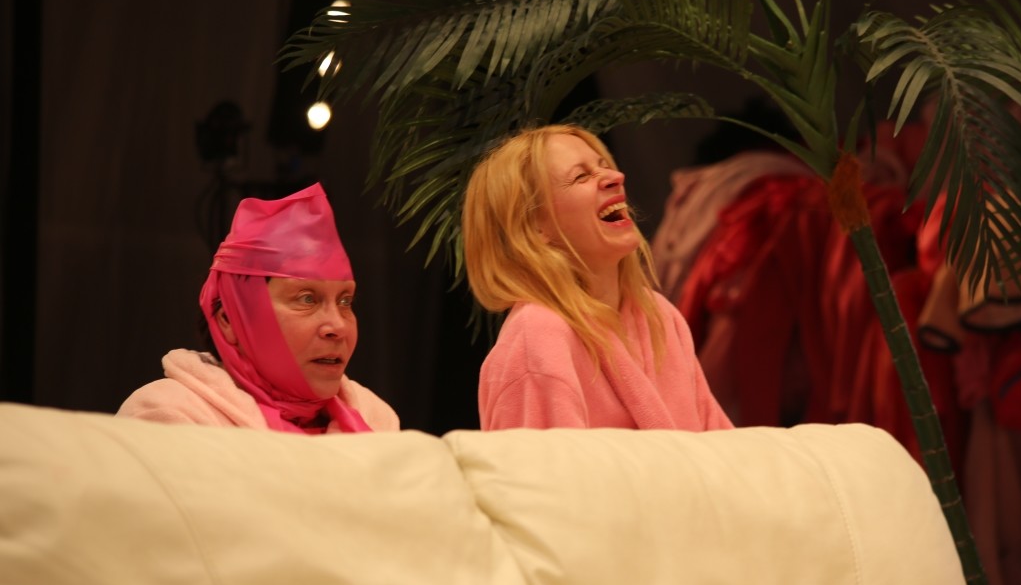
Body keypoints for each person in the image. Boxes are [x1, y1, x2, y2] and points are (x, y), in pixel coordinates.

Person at [462, 123, 733, 431]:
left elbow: (716, 444)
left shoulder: (658, 316)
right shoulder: (537, 336)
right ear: (533, 227)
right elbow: (544, 463)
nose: (616, 177)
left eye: (605, 166)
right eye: (581, 176)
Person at [119, 183, 399, 433]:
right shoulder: (169, 414)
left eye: (345, 301)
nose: (338, 326)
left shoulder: (375, 418)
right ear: (230, 319)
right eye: (307, 299)